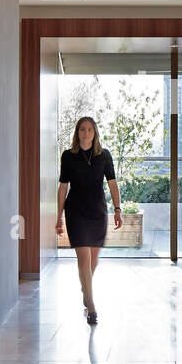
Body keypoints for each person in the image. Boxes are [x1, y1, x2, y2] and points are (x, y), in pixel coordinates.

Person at [56, 115, 121, 324]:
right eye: (82, 129)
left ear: (95, 133)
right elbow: (63, 187)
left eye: (89, 129)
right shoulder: (68, 156)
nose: (86, 133)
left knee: (94, 258)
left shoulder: (104, 156)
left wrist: (118, 209)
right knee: (83, 258)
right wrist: (58, 216)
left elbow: (112, 183)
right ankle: (91, 306)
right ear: (77, 132)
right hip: (76, 211)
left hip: (98, 211)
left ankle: (86, 290)